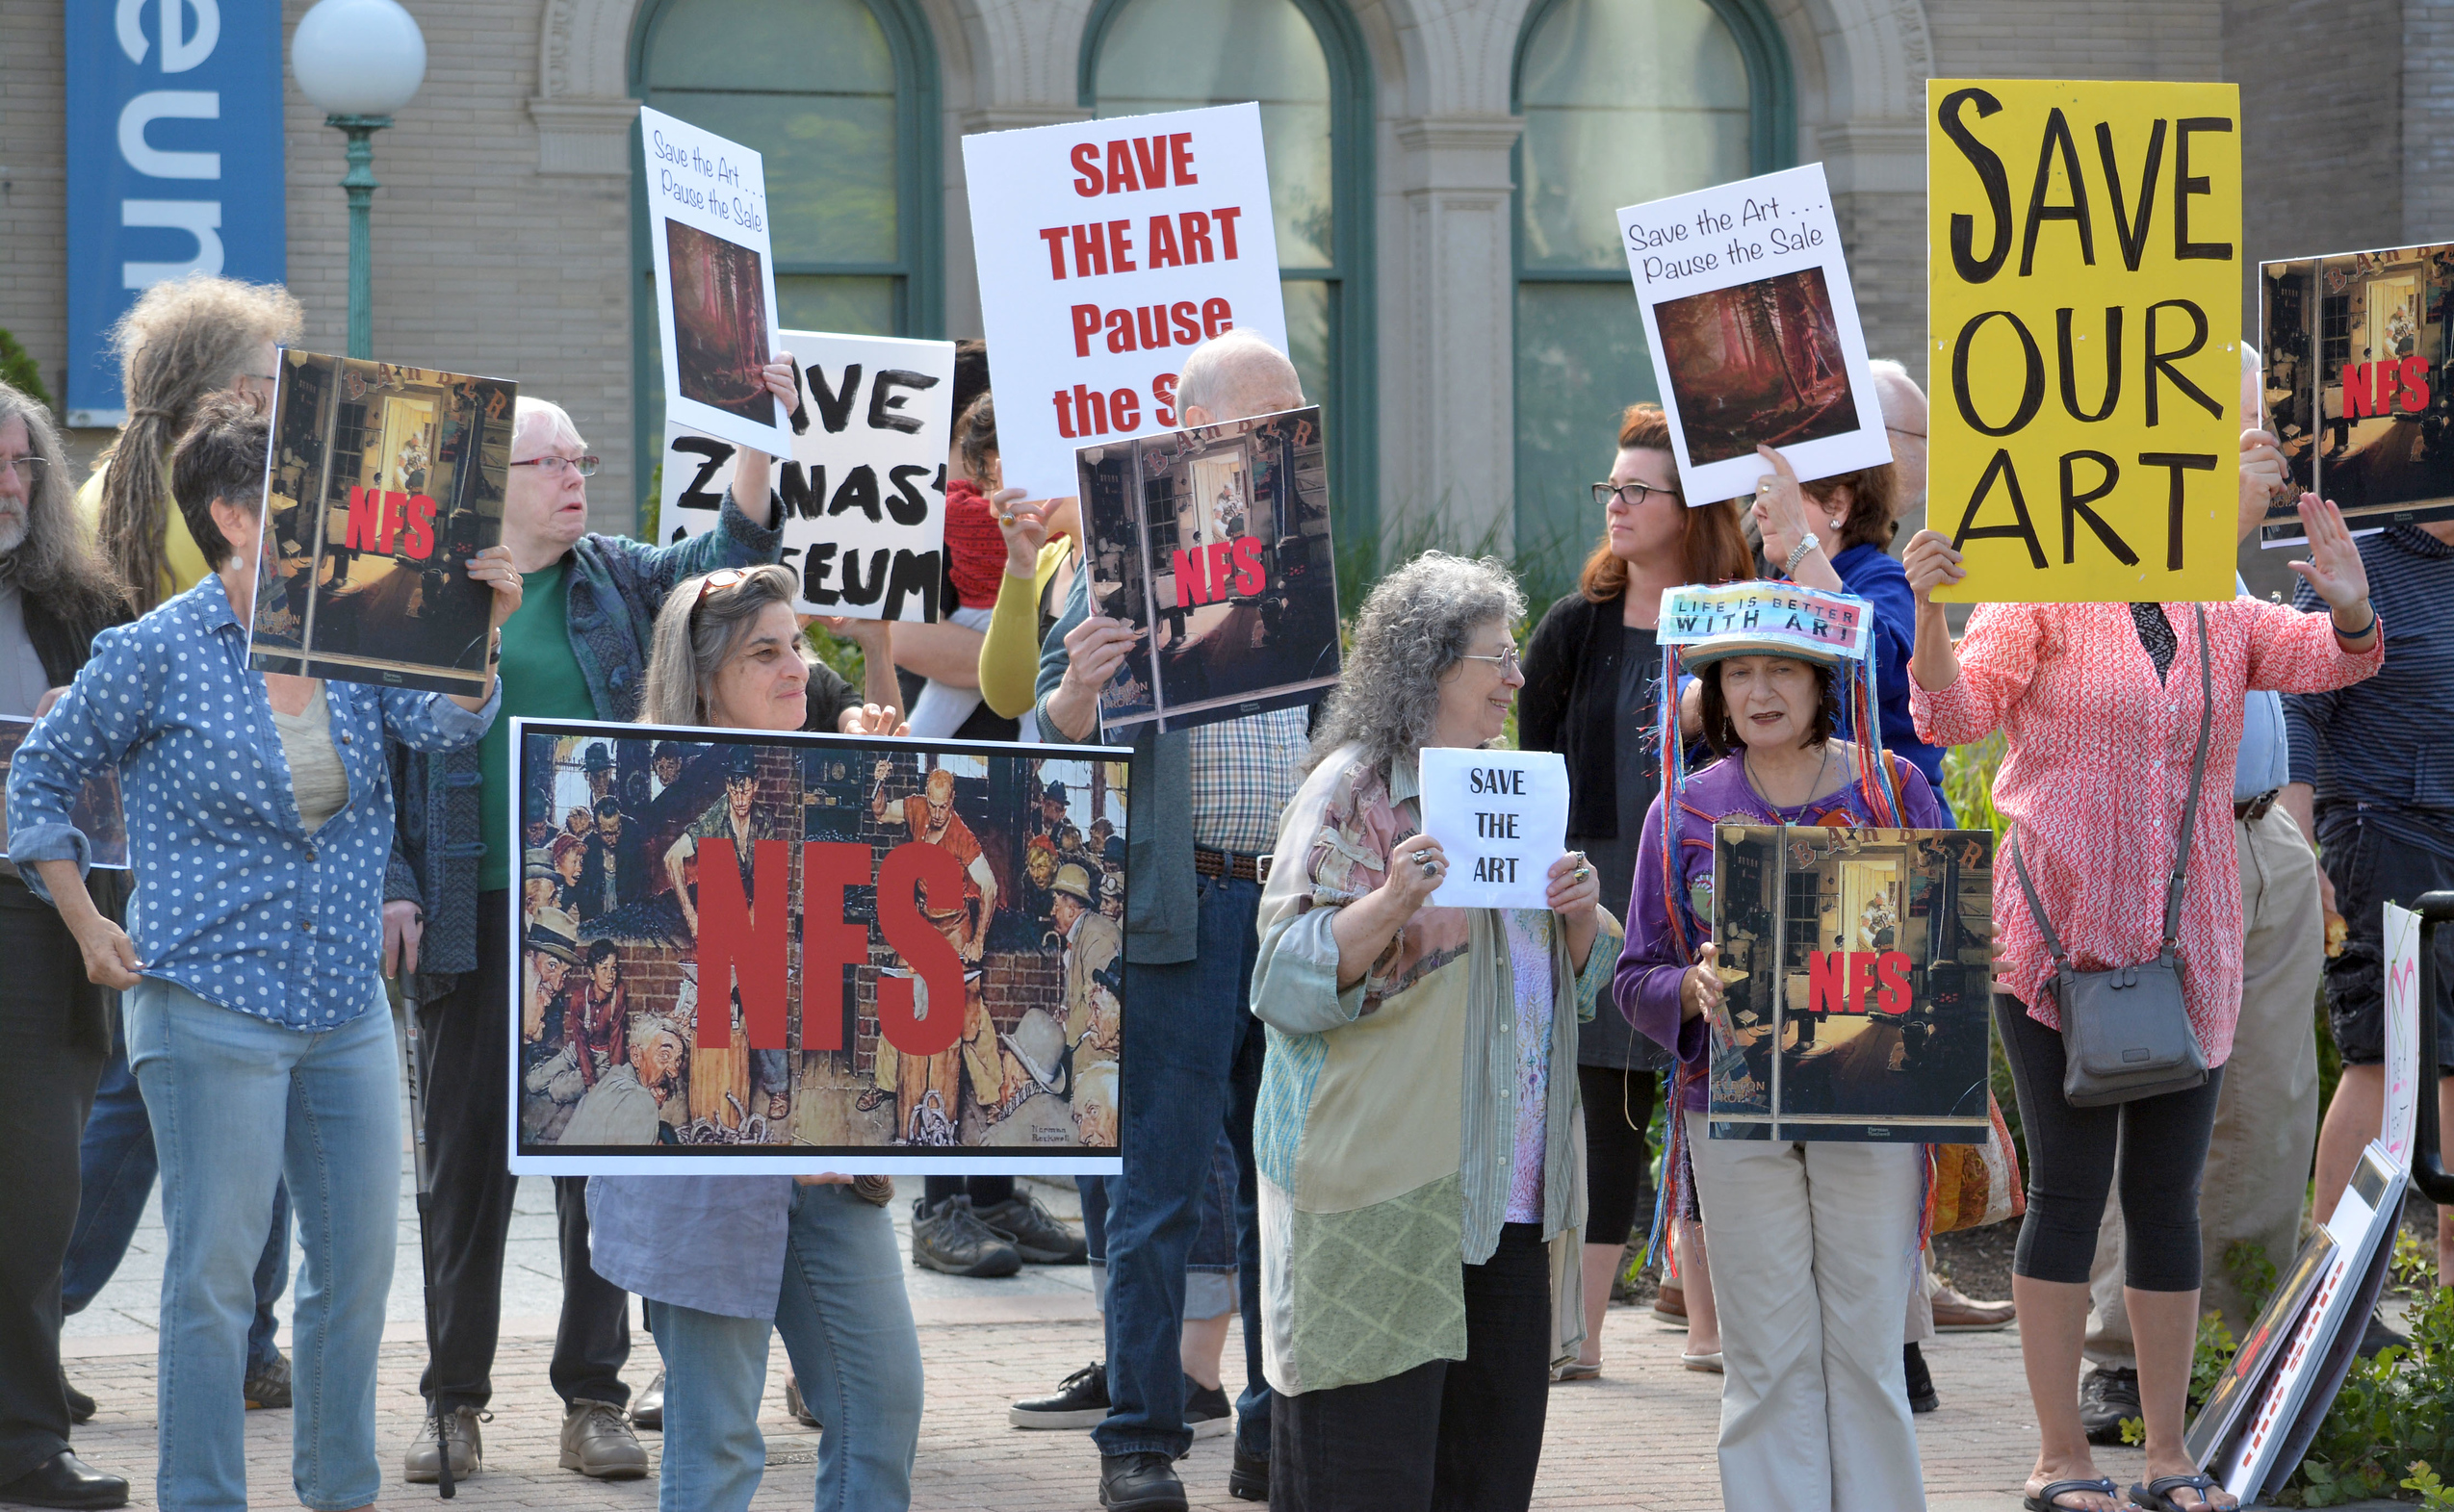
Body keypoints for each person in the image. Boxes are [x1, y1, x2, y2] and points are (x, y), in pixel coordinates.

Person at [7, 393, 516, 1512]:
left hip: (341, 1002)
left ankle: (340, 1492)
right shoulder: (154, 649)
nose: (344, 518)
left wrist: (478, 636)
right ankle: (203, 1497)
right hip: (207, 1004)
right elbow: (36, 781)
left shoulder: (359, 630)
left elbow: (443, 727)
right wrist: (89, 924)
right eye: (316, 499)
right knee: (214, 1278)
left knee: (358, 1271)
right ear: (240, 514)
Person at [1903, 488, 2384, 1512]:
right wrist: (1933, 610)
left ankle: (2169, 1454)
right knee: (2070, 1193)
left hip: (2189, 944)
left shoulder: (2218, 604)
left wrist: (2348, 602)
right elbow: (1949, 714)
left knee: (2167, 1200)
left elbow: (2336, 658)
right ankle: (2058, 1455)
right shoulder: (2037, 595)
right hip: (2053, 940)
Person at [384, 367, 805, 1485]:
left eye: (582, 461)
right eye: (552, 463)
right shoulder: (430, 589)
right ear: (496, 483)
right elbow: (384, 753)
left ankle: (593, 1396)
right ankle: (453, 1403)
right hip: (477, 906)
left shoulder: (614, 576)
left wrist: (751, 435)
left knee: (602, 1146)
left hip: (603, 912)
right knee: (467, 1162)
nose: (576, 478)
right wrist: (395, 882)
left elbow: (724, 567)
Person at [1249, 551, 1614, 1511]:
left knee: (1483, 1478)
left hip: (1507, 1196)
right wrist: (1390, 902)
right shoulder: (1352, 791)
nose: (1516, 677)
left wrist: (1581, 917)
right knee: (1362, 1477)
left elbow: (1571, 988)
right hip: (1383, 1192)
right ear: (1431, 665)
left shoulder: (1516, 788)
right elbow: (1282, 978)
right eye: (1496, 656)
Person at [1021, 328, 1304, 1509]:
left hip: (1293, 908)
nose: (1280, 443)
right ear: (1190, 433)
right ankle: (1138, 1438)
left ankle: (1270, 1430)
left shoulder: (1311, 557)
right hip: (1177, 912)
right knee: (1158, 1186)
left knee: (1287, 1184)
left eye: (1291, 423)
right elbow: (1047, 737)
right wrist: (1080, 684)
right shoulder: (1113, 552)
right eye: (1256, 422)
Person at [587, 560, 924, 1512]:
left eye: (799, 645)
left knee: (881, 1399)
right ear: (703, 681)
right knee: (719, 1441)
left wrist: (880, 779)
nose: (795, 667)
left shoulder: (837, 779)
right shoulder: (649, 821)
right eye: (764, 652)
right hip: (704, 1159)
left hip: (825, 1153)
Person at [1615, 599, 1945, 1512]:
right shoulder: (1680, 810)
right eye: (1736, 673)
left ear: (1822, 683)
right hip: (1731, 1108)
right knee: (1763, 1355)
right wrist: (1692, 988)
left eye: (1782, 671)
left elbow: (1952, 935)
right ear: (1714, 688)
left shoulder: (1892, 792)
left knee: (1866, 1349)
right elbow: (1635, 973)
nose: (1758, 691)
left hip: (1868, 1099)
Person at [56, 276, 305, 1430]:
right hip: (206, 857)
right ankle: (48, 1313)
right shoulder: (223, 503)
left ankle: (237, 1331)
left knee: (200, 1099)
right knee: (154, 1108)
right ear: (216, 392)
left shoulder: (113, 488)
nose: (279, 395)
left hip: (151, 850)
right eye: (263, 376)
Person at [2078, 345, 2333, 1437]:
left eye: (2261, 413)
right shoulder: (2111, 527)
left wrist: (2293, 824)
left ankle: (2240, 1350)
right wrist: (2222, 516)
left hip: (2261, 833)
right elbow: (2143, 655)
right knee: (2151, 1094)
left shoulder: (2232, 538)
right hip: (2166, 849)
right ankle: (2118, 1360)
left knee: (2268, 1105)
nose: (2260, 435)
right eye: (2238, 414)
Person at [1518, 400, 1749, 1380]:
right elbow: (1527, 762)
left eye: (1634, 489)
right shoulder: (1575, 626)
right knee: (1605, 1103)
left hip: (1716, 877)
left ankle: (1716, 1329)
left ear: (1688, 505)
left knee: (1720, 1099)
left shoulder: (1740, 616)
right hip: (1600, 877)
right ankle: (1578, 1336)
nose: (1613, 504)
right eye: (1608, 488)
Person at [0, 381, 136, 1510]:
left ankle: (27, 1444)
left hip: (40, 919)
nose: (9, 484)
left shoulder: (82, 606)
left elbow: (139, 763)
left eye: (24, 464)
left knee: (38, 1188)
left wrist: (79, 735)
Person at [2288, 495, 2454, 1287]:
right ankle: (2332, 1294)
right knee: (2387, 1056)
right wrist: (2296, 848)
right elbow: (2297, 706)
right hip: (2385, 827)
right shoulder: (2358, 554)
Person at [79, 273, 301, 613]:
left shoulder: (100, 486)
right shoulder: (237, 493)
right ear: (243, 391)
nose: (284, 391)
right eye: (278, 377)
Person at [1749, 443, 1952, 807]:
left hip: (1890, 831)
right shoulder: (1776, 592)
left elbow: (1883, 671)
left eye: (1779, 493)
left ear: (1839, 505)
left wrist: (1800, 545)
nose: (1758, 510)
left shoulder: (1887, 582)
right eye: (1759, 494)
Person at [905, 393, 1011, 738]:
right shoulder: (1041, 514)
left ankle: (896, 772)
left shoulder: (952, 506)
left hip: (971, 618)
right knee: (1039, 733)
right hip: (1021, 620)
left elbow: (939, 494)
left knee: (924, 727)